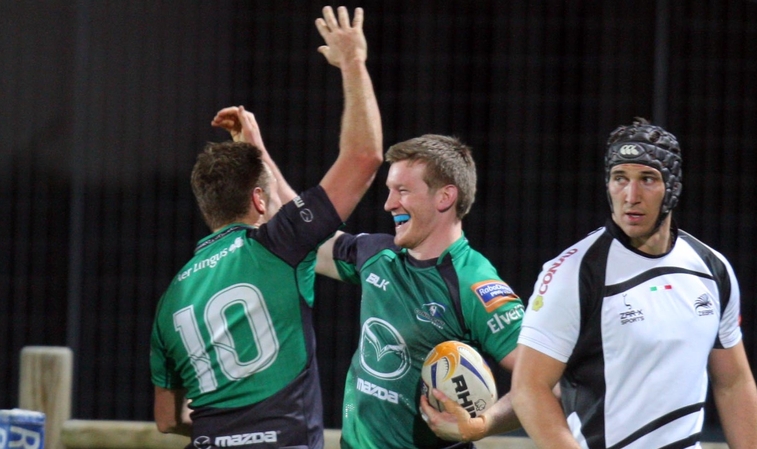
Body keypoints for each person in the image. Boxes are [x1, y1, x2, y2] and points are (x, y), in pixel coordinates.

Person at [149, 6, 382, 449]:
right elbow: (364, 158)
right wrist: (353, 61)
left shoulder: (171, 297)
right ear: (259, 199)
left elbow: (167, 419)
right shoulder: (279, 245)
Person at [511, 118, 757, 449]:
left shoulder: (711, 269)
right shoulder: (573, 272)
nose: (631, 195)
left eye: (647, 179)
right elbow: (529, 389)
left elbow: (732, 382)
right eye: (620, 179)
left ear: (672, 187)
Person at [312, 134, 525, 449]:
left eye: (403, 191)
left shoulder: (474, 284)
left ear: (444, 198)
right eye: (389, 191)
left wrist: (480, 426)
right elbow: (301, 231)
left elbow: (547, 384)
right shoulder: (377, 255)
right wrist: (257, 154)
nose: (389, 204)